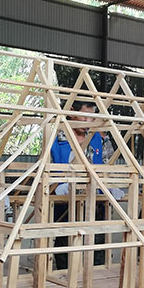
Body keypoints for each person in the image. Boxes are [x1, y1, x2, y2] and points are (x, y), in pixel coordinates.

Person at [50, 99, 119, 269]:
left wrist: (110, 185)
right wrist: (57, 185)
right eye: (84, 117)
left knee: (97, 246)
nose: (89, 123)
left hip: (94, 203)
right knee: (65, 247)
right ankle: (66, 283)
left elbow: (108, 165)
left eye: (92, 118)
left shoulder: (99, 138)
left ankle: (96, 283)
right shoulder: (56, 137)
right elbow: (46, 169)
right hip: (64, 204)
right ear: (72, 111)